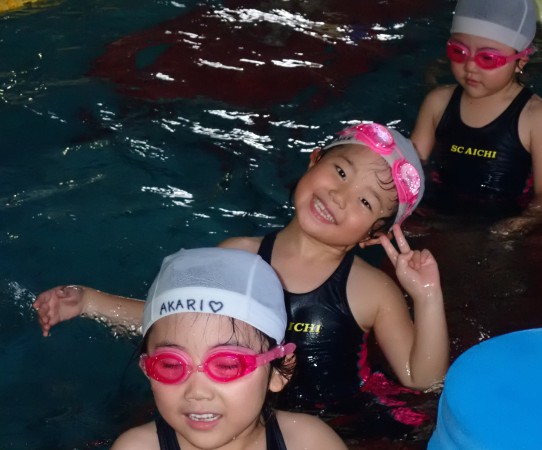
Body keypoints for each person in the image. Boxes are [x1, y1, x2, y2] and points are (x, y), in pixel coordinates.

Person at [34, 122, 449, 417]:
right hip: (234, 418)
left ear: (374, 235)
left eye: (365, 202)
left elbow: (422, 381)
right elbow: (174, 327)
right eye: (340, 172)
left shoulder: (372, 291)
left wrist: (427, 296)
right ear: (314, 160)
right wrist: (89, 301)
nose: (340, 196)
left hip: (338, 422)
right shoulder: (236, 256)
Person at [110, 246, 347, 450]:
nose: (197, 392)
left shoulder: (309, 442)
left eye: (227, 365)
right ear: (146, 368)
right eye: (170, 364)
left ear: (279, 371)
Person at [410, 0, 542, 230]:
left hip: (503, 219)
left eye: (487, 58)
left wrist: (518, 225)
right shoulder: (437, 102)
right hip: (438, 211)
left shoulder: (536, 116)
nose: (470, 66)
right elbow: (410, 166)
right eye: (459, 52)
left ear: (520, 61)